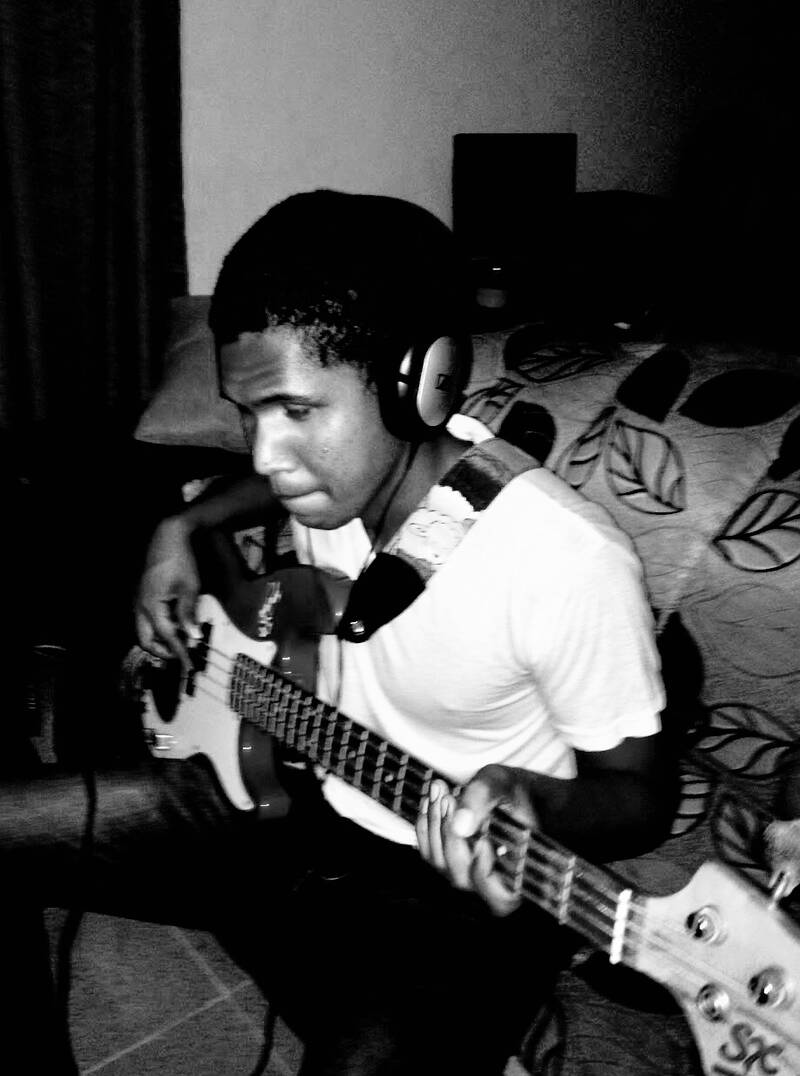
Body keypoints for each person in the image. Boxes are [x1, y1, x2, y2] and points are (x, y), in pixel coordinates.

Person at [0, 189, 676, 1076]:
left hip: (451, 891)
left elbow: (642, 798)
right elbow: (263, 485)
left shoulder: (563, 560)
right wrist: (184, 526)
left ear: (418, 386)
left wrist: (534, 798)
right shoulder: (339, 477)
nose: (265, 455)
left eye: (296, 411)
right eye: (249, 415)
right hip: (283, 794)